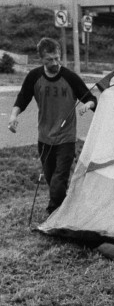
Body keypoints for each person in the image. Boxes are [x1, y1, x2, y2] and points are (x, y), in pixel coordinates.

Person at [7, 37, 96, 214]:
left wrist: (87, 105)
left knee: (58, 179)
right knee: (50, 179)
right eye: (50, 59)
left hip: (66, 138)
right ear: (41, 59)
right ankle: (65, 211)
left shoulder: (69, 77)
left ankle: (54, 213)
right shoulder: (35, 77)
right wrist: (13, 115)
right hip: (45, 137)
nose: (55, 62)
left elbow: (91, 99)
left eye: (57, 58)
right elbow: (23, 97)